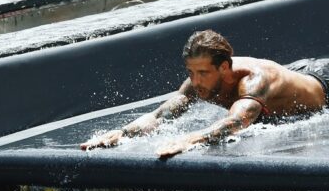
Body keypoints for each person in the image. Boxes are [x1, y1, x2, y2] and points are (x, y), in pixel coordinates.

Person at [80, 30, 329, 158]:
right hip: (295, 74)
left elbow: (237, 121)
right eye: (191, 72)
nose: (196, 81)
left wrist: (192, 139)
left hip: (322, 83)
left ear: (224, 67)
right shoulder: (196, 82)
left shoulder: (253, 82)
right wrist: (123, 133)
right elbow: (160, 115)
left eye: (203, 73)